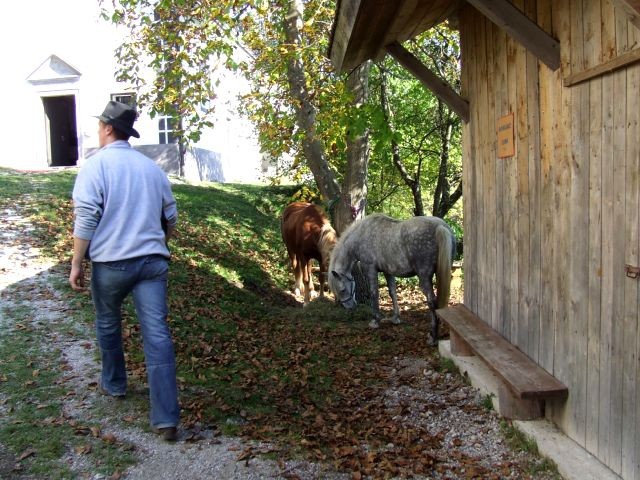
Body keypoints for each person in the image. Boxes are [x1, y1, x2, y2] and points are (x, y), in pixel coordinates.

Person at [69, 100, 180, 442]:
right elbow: (171, 217)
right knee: (157, 335)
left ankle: (115, 384)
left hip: (112, 264)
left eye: (99, 125)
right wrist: (158, 240)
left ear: (106, 128)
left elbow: (87, 217)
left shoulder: (95, 166)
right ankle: (166, 418)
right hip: (152, 264)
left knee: (107, 322)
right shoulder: (151, 169)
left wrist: (76, 263)